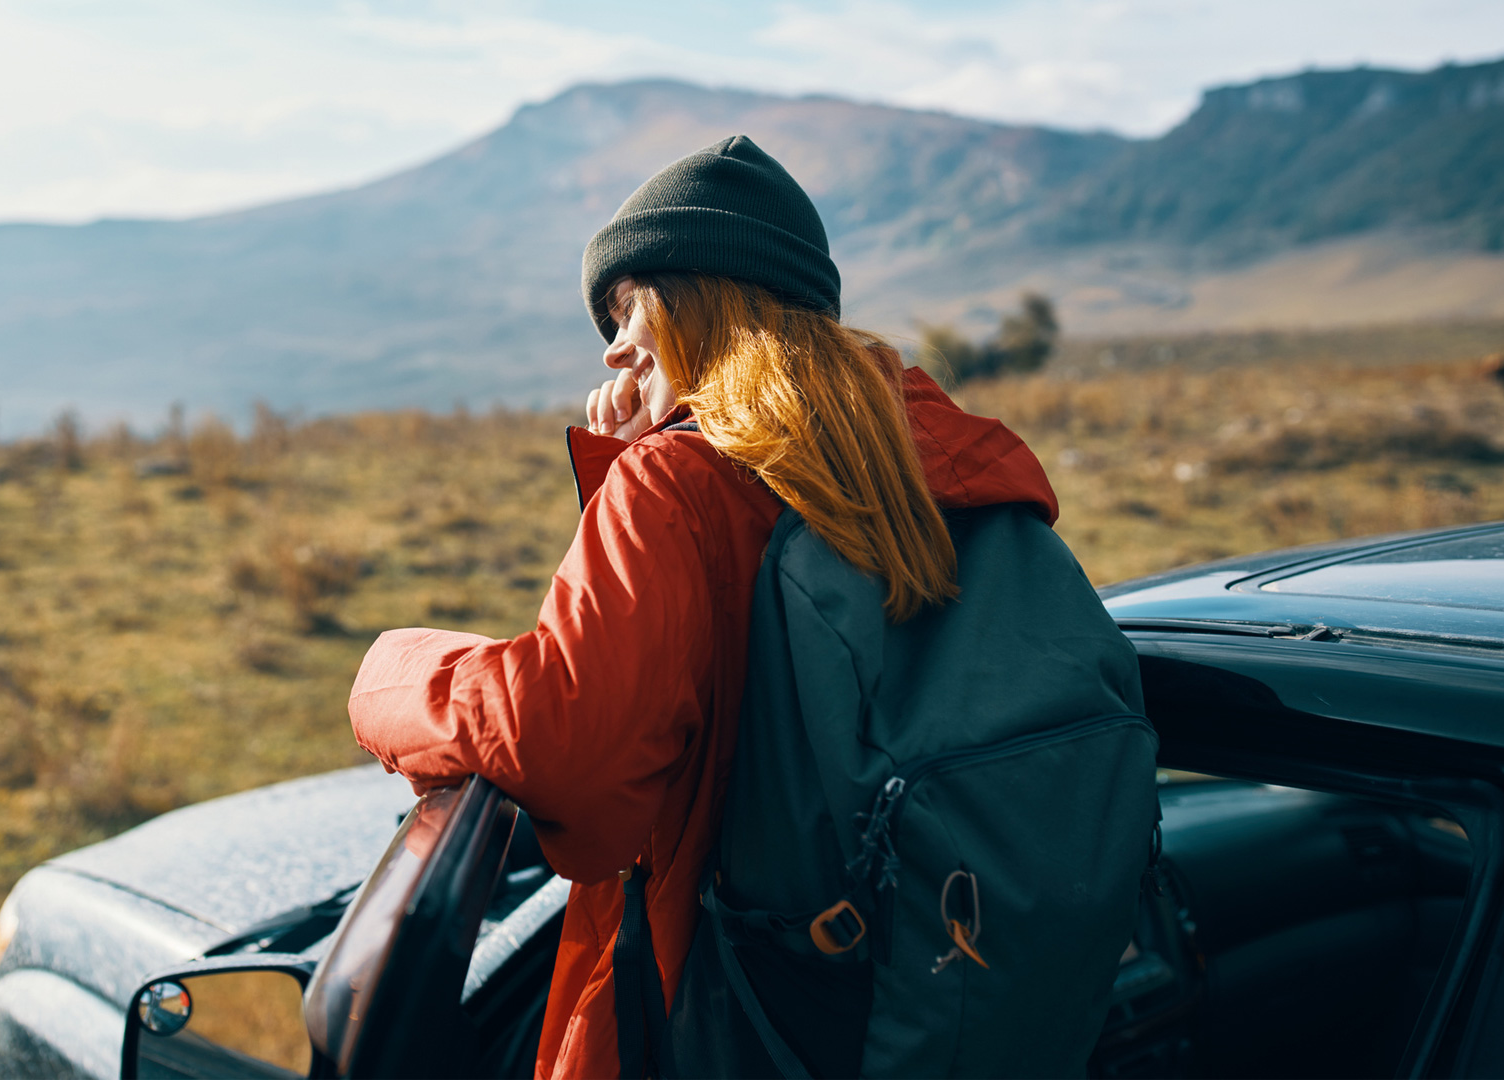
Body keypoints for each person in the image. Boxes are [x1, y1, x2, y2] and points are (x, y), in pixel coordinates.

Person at [348, 135, 1061, 1079]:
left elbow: (567, 746)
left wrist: (385, 672)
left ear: (693, 308)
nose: (611, 346)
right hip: (944, 992)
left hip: (729, 1004)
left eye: (625, 308)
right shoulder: (952, 470)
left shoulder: (679, 487)